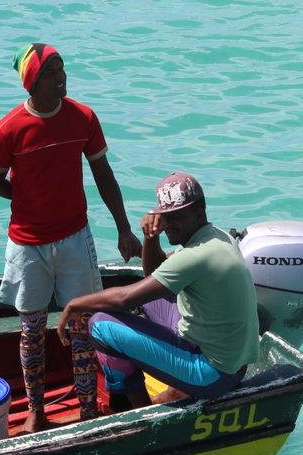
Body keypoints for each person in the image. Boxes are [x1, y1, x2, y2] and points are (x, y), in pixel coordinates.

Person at [0, 43, 141, 432]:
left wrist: (124, 228)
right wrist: (26, 200)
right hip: (27, 243)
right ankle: (36, 410)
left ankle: (88, 409)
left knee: (82, 327)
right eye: (53, 73)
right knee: (31, 329)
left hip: (75, 237)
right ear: (33, 83)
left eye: (63, 69)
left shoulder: (83, 118)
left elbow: (104, 175)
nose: (62, 78)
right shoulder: (8, 130)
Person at [56, 172, 259, 408]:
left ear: (200, 211)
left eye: (178, 216)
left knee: (101, 324)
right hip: (233, 364)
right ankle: (175, 387)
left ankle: (138, 411)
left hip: (212, 376)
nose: (169, 224)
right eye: (166, 216)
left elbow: (124, 299)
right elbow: (156, 272)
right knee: (149, 299)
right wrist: (151, 237)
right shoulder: (216, 237)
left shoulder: (195, 256)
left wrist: (74, 305)